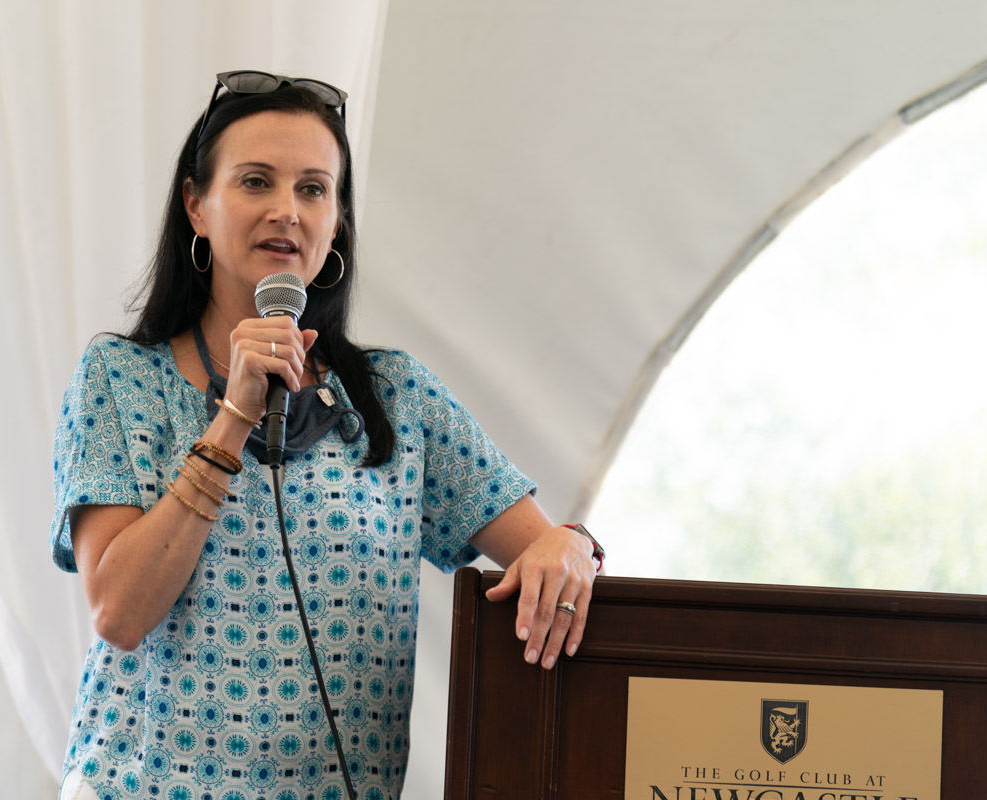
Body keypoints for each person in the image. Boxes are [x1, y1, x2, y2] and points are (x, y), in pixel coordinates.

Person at [50, 70, 603, 800]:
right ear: (196, 206)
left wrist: (573, 545)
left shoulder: (397, 398)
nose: (286, 210)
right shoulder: (120, 379)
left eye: (313, 189)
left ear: (336, 223)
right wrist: (234, 417)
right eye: (256, 181)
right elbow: (119, 613)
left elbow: (544, 551)